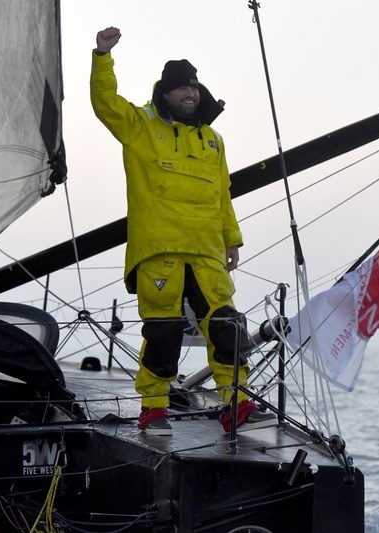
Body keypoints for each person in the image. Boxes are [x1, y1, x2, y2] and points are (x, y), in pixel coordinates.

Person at [90, 27, 273, 436]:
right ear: (165, 94)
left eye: (193, 88)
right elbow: (105, 104)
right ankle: (154, 408)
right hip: (160, 250)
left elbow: (222, 194)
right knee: (163, 332)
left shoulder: (213, 141)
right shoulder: (140, 126)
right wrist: (103, 57)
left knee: (227, 326)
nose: (189, 94)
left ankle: (236, 402)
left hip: (207, 250)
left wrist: (232, 239)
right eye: (180, 89)